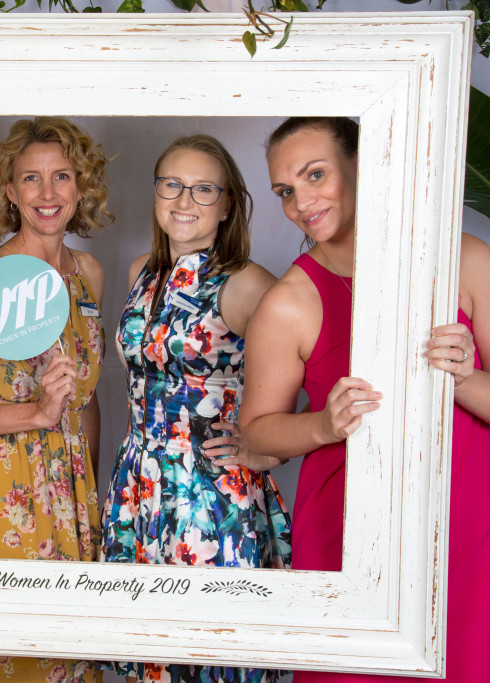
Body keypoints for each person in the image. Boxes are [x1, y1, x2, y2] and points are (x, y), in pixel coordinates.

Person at [239, 116, 490, 681]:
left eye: (315, 175)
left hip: (464, 526)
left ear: (363, 163)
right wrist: (322, 426)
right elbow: (258, 429)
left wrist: (464, 378)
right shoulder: (289, 301)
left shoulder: (464, 260)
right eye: (285, 190)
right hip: (347, 541)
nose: (301, 203)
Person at [98, 134, 291, 683]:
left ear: (227, 205)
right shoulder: (141, 270)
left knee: (207, 655)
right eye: (172, 185)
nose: (185, 200)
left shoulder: (248, 284)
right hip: (139, 482)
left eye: (204, 189)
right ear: (156, 192)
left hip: (208, 492)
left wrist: (268, 451)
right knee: (149, 655)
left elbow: (311, 370)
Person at [0, 116, 112, 683]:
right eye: (31, 178)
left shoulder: (88, 274)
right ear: (10, 190)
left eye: (62, 176)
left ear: (81, 186)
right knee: (7, 654)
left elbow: (85, 400)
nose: (47, 192)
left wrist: (89, 493)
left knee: (66, 655)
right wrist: (35, 413)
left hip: (71, 489)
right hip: (1, 489)